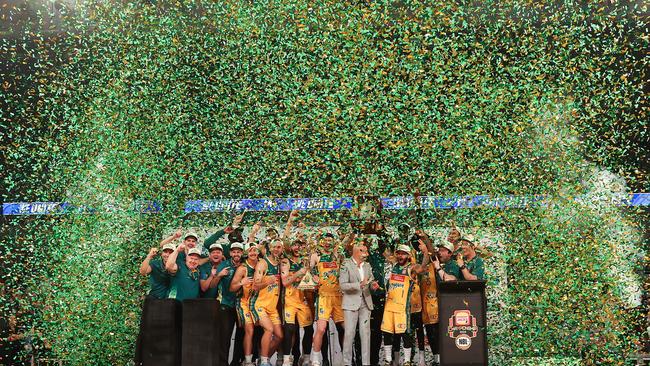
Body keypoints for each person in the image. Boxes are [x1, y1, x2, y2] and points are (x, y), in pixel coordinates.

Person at [381, 244, 429, 366]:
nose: (400, 255)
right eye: (398, 253)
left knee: (405, 333)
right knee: (387, 332)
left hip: (403, 308)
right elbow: (384, 252)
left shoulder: (411, 268)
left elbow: (423, 268)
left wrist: (425, 253)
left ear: (408, 255)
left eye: (403, 253)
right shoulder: (393, 265)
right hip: (389, 306)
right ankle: (388, 359)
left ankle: (407, 361)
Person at [340, 242, 379, 366]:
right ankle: (347, 363)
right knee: (349, 334)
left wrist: (373, 286)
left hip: (365, 303)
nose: (366, 254)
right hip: (351, 304)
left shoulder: (367, 266)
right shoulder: (345, 264)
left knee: (365, 334)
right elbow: (343, 285)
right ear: (356, 252)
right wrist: (359, 285)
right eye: (364, 252)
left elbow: (370, 280)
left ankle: (366, 363)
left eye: (367, 252)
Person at [309, 233, 345, 366]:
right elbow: (311, 270)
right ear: (321, 242)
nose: (328, 243)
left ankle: (346, 359)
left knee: (345, 329)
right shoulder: (315, 255)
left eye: (330, 240)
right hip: (323, 296)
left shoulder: (338, 255)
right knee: (321, 329)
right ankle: (317, 359)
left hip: (338, 297)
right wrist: (314, 277)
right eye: (325, 240)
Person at [280, 239, 312, 366]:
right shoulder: (285, 262)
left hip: (303, 300)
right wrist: (298, 273)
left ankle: (306, 357)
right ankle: (287, 359)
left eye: (300, 245)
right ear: (290, 248)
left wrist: (313, 281)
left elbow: (309, 285)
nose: (298, 248)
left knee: (309, 330)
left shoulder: (306, 262)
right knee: (289, 329)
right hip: (289, 300)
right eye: (295, 245)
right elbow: (285, 282)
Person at [252, 239, 284, 366]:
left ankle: (263, 359)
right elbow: (255, 286)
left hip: (272, 307)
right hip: (260, 305)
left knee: (279, 336)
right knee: (269, 329)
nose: (277, 249)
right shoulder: (263, 263)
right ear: (270, 248)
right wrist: (267, 282)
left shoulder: (280, 264)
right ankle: (265, 361)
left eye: (279, 247)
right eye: (275, 247)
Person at [216, 241, 246, 366]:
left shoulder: (246, 266)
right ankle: (223, 363)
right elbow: (214, 284)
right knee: (225, 337)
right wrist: (219, 275)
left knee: (241, 336)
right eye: (234, 251)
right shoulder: (223, 265)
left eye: (238, 251)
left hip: (241, 306)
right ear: (230, 253)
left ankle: (236, 362)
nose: (236, 254)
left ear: (242, 253)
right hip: (226, 305)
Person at [231, 244, 260, 366]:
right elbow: (232, 287)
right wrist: (241, 283)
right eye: (250, 250)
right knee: (250, 330)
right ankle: (247, 361)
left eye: (255, 250)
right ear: (246, 253)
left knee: (259, 331)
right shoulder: (243, 268)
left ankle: (255, 359)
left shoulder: (262, 264)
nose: (253, 252)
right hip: (244, 303)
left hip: (259, 303)